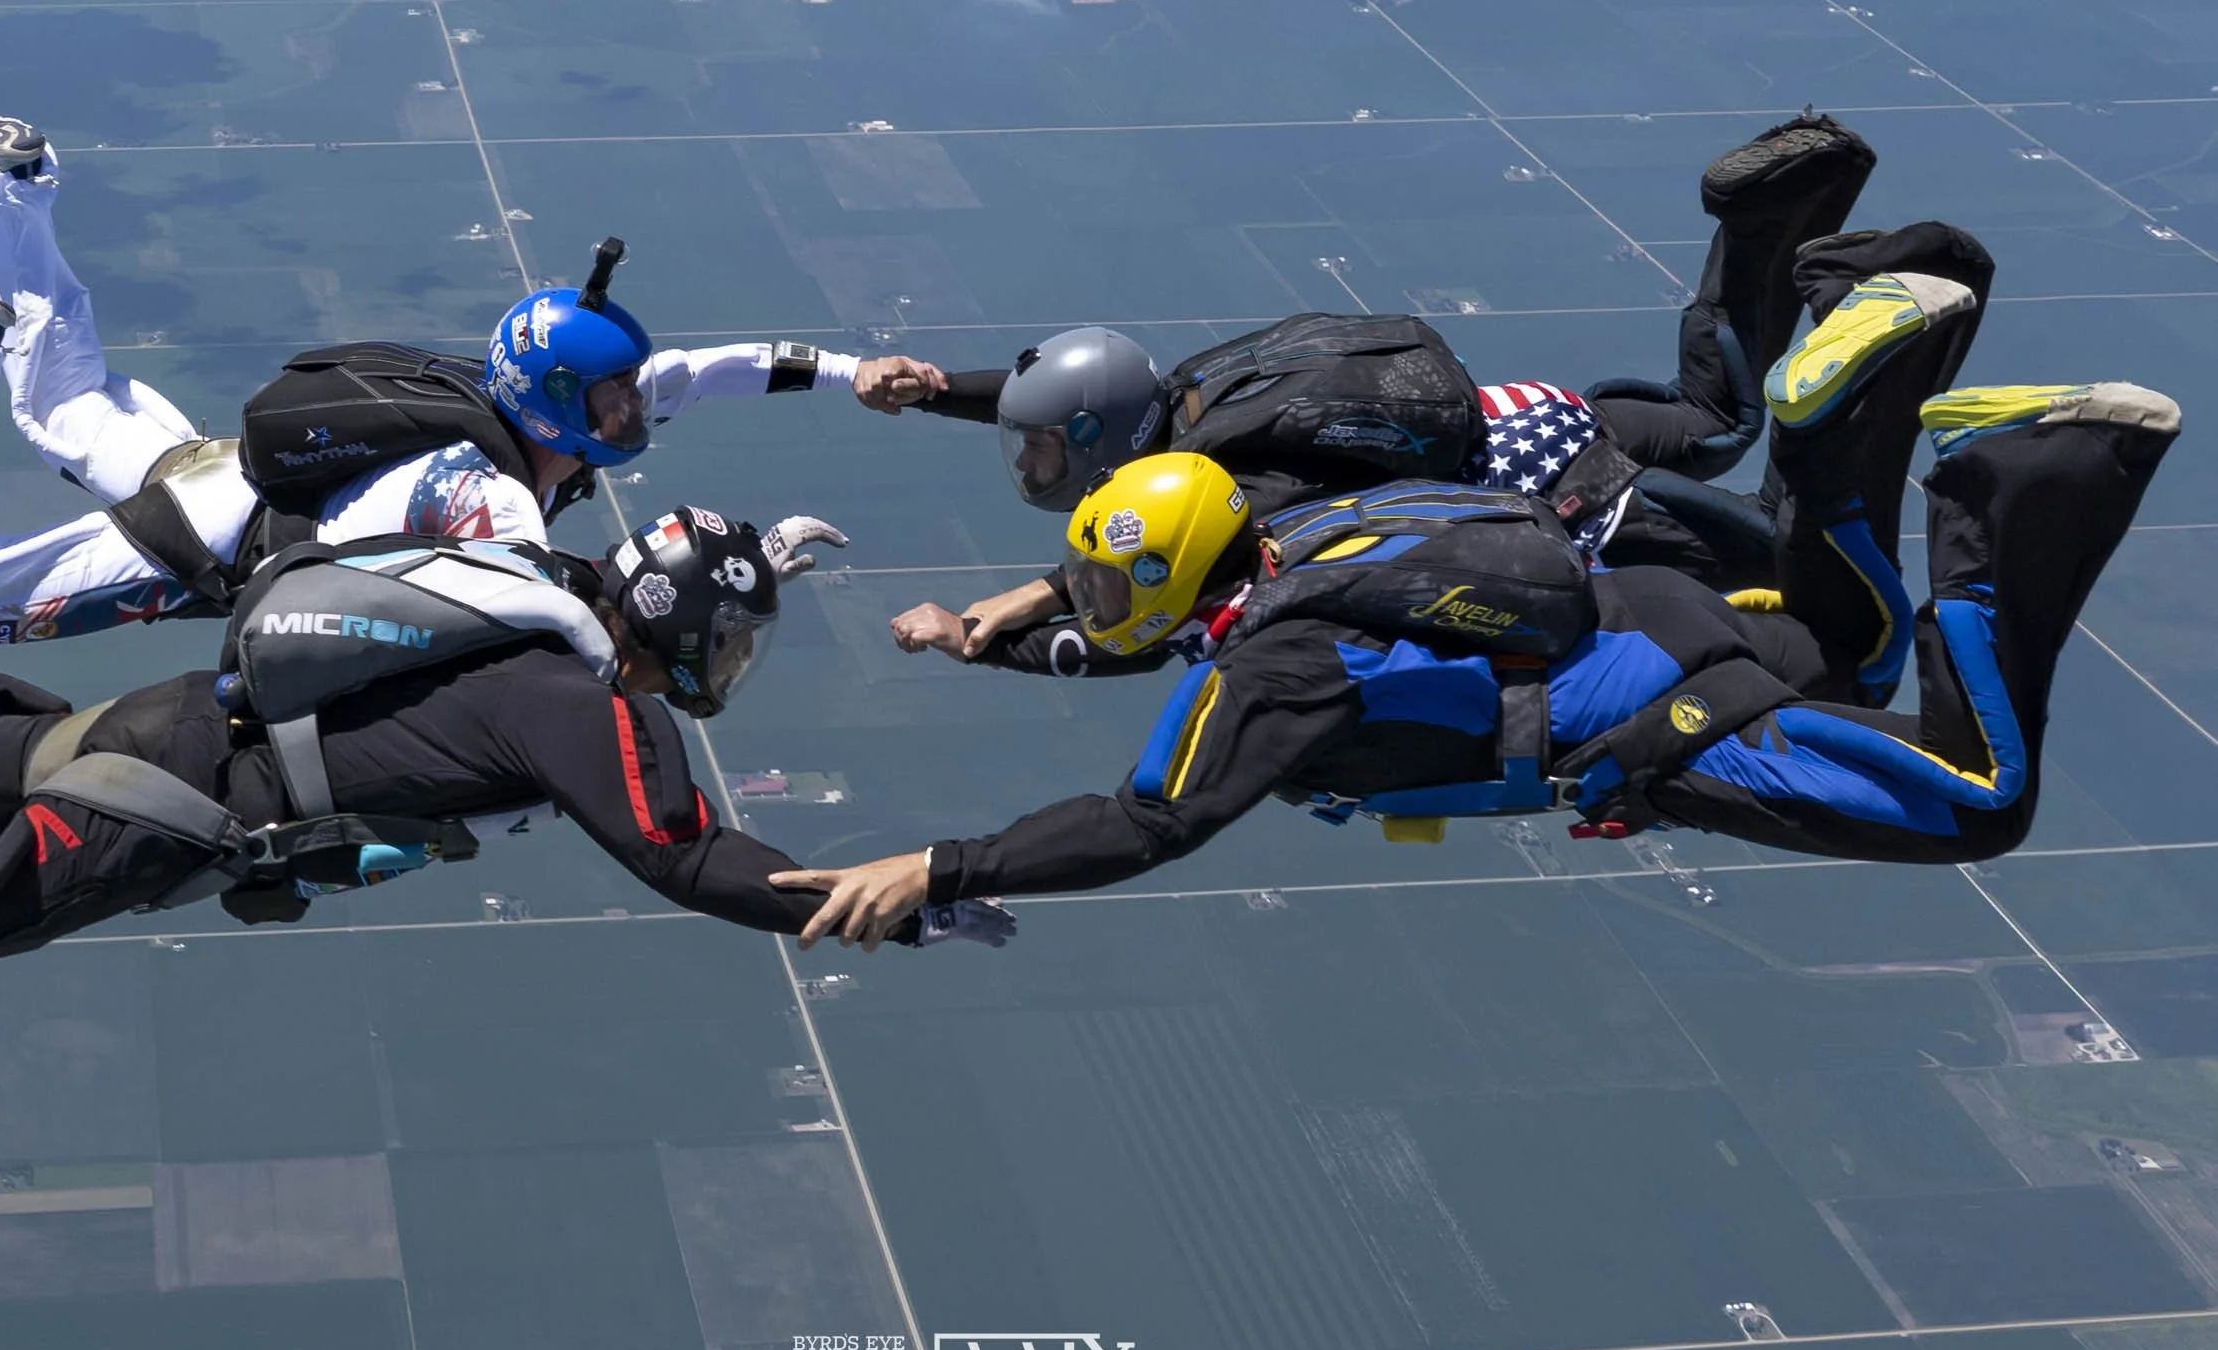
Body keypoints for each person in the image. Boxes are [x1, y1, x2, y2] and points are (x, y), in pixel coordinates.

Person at [772, 294, 2178, 948]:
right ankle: (1821, 432)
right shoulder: (1304, 522)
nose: (1094, 608)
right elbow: (1131, 621)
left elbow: (1149, 821)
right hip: (1669, 610)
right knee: (1860, 643)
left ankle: (2009, 479)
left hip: (1669, 723)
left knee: (1980, 801)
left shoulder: (1274, 658)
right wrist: (997, 626)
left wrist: (942, 864)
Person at [0, 441, 1014, 972]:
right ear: (683, 640)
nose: (725, 675)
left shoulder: (540, 596)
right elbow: (688, 858)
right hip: (172, 801)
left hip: (170, 723)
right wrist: (895, 903)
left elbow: (643, 581)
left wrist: (755, 558)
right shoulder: (591, 711)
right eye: (726, 650)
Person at [0, 115, 948, 646]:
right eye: (608, 403)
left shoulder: (523, 404)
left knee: (64, 401)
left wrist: (853, 372)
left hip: (221, 473)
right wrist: (737, 574)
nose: (629, 413)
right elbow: (574, 603)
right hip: (195, 541)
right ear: (556, 401)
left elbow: (713, 370)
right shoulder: (485, 489)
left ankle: (9, 192)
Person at [887, 113, 1885, 660]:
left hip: (1582, 498)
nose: (1030, 463)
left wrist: (1016, 605)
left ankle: (1861, 345)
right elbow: (1048, 394)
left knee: (1807, 578)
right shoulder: (1188, 386)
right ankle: (1762, 221)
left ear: (1097, 438)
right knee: (1716, 416)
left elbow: (1161, 599)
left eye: (1044, 450)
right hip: (1533, 414)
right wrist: (939, 392)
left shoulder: (1218, 476)